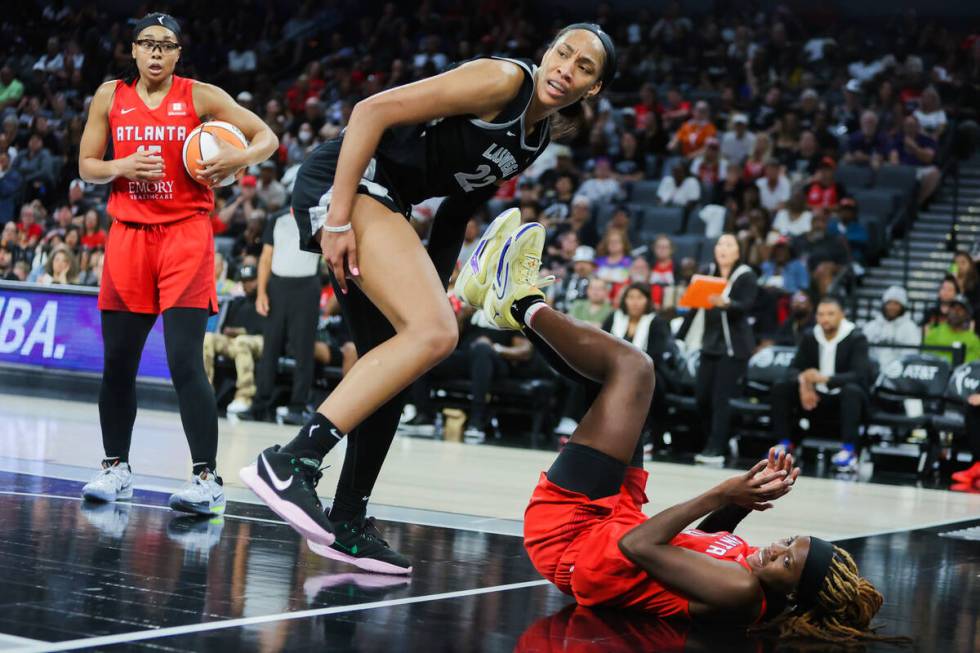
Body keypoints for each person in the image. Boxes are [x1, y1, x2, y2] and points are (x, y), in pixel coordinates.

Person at [240, 24, 618, 574]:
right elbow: (370, 112)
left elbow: (455, 213)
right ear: (546, 53)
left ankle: (347, 520)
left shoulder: (536, 138)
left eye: (584, 67)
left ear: (594, 88)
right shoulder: (504, 80)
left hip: (384, 203)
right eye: (563, 53)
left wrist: (435, 293)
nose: (567, 68)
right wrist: (339, 216)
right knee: (433, 333)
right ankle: (291, 462)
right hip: (348, 183)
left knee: (403, 358)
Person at [462, 216, 891, 643]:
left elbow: (640, 549)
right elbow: (699, 542)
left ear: (794, 594)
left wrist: (723, 492)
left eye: (785, 563)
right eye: (788, 541)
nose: (775, 550)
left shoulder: (742, 592)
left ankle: (519, 302)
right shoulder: (752, 575)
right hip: (614, 523)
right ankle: (496, 299)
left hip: (574, 541)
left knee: (635, 369)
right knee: (613, 385)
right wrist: (745, 500)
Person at [76, 13, 278, 514]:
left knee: (186, 362)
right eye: (148, 44)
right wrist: (121, 166)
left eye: (166, 46)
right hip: (127, 239)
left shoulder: (200, 95)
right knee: (117, 365)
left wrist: (238, 160)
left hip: (185, 237)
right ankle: (115, 467)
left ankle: (207, 480)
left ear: (177, 54)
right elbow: (86, 166)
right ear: (134, 50)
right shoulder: (109, 96)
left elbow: (267, 138)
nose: (156, 53)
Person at [679, 234, 759, 464]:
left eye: (729, 245)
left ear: (737, 252)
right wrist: (681, 336)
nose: (723, 248)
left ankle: (716, 448)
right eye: (720, 244)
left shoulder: (745, 276)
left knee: (721, 399)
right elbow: (694, 306)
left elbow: (746, 306)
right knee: (702, 397)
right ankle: (722, 438)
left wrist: (728, 304)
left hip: (733, 347)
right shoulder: (707, 271)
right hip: (709, 343)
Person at [770, 296, 871, 471]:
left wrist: (825, 379)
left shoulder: (856, 337)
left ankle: (849, 451)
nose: (825, 319)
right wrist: (804, 382)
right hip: (814, 397)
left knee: (852, 391)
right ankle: (785, 445)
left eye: (831, 314)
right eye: (821, 314)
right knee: (782, 387)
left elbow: (860, 375)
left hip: (844, 398)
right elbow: (793, 369)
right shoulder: (811, 335)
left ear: (842, 315)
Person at [243, 207, 322, 423]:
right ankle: (260, 404)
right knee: (270, 348)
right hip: (277, 286)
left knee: (304, 350)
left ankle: (297, 407)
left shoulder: (319, 215)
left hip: (307, 285)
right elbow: (266, 257)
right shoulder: (277, 218)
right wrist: (261, 292)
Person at [203, 264, 266, 415]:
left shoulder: (265, 300)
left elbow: (265, 328)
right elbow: (225, 328)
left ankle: (245, 396)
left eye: (251, 280)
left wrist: (239, 331)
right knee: (208, 338)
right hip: (235, 342)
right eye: (244, 281)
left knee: (242, 341)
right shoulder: (237, 302)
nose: (247, 284)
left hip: (260, 341)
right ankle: (204, 393)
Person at [862, 286, 921, 368]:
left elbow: (911, 354)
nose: (892, 307)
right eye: (889, 303)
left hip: (899, 375)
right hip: (872, 373)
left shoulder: (910, 328)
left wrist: (895, 368)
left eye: (896, 304)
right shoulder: (871, 326)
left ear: (902, 306)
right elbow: (863, 351)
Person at [923, 295, 980, 364]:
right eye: (953, 308)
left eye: (960, 309)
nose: (955, 312)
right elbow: (926, 356)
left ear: (966, 315)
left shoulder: (973, 339)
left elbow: (974, 364)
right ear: (948, 311)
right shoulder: (935, 332)